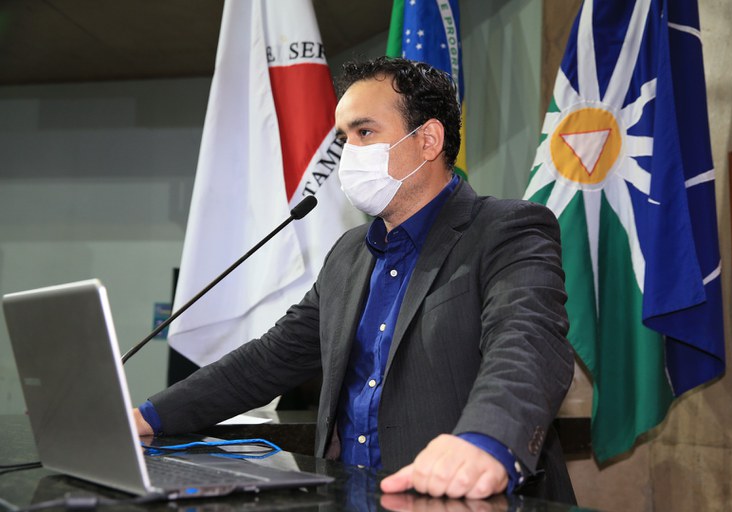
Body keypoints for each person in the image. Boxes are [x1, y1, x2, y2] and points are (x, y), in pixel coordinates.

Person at [133, 57, 576, 503]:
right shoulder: (348, 253)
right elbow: (269, 359)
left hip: (463, 498)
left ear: (428, 140)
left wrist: (487, 440)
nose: (349, 153)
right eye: (344, 138)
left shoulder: (507, 229)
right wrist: (149, 416)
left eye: (364, 132)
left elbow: (527, 340)